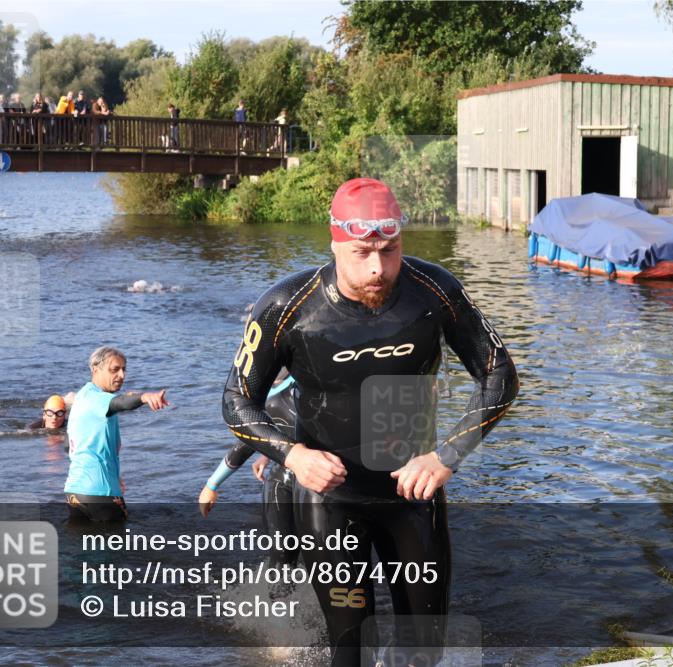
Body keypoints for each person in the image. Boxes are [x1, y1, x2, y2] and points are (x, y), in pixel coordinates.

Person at [221, 178, 519, 665]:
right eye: (362, 253)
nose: (379, 268)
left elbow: (500, 375)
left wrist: (448, 456)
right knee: (350, 649)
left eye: (390, 250)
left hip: (413, 497)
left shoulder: (435, 292)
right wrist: (293, 455)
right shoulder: (286, 307)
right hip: (330, 501)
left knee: (425, 651)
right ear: (335, 243)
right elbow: (237, 401)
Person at [201, 373, 299, 567]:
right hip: (282, 478)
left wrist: (211, 484)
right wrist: (211, 485)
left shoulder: (304, 378)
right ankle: (280, 595)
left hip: (319, 476)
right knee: (281, 555)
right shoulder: (258, 393)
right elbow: (254, 436)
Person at [65, 346, 169, 522]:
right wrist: (143, 397)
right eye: (115, 369)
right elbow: (121, 403)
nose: (122, 375)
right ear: (95, 369)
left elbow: (69, 446)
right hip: (102, 493)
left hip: (75, 491)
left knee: (81, 548)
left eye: (123, 369)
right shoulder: (97, 398)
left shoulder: (81, 398)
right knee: (116, 547)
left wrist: (113, 474)